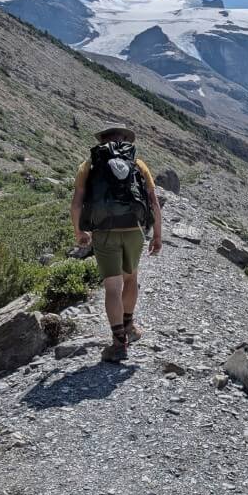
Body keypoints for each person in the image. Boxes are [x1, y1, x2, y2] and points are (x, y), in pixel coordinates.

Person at [70, 124, 163, 362]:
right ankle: (130, 327)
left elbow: (77, 203)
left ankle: (118, 343)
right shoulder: (138, 164)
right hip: (133, 229)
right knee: (131, 279)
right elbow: (153, 203)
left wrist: (79, 230)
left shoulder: (89, 165)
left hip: (104, 232)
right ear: (125, 140)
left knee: (113, 287)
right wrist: (157, 235)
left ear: (102, 141)